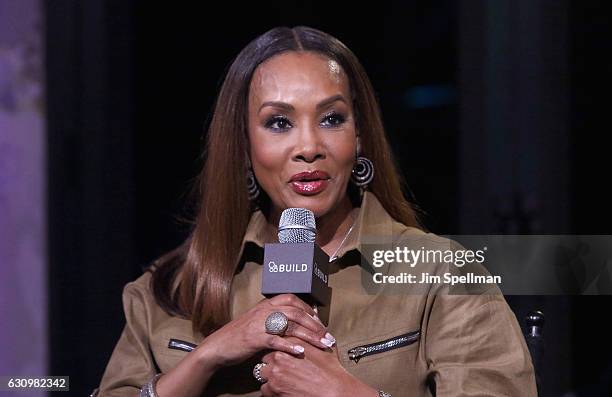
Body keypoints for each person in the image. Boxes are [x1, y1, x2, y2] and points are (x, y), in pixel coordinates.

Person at [94, 26, 537, 396]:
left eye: (331, 119)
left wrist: (348, 393)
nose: (308, 148)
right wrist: (208, 356)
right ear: (245, 147)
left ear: (359, 136)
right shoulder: (166, 291)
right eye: (279, 123)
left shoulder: (442, 276)